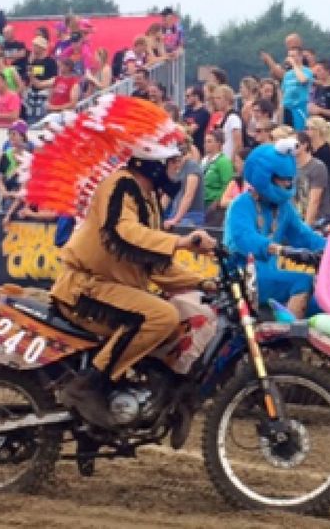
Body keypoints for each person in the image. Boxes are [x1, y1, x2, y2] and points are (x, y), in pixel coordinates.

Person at [50, 137, 216, 432]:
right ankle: (87, 386)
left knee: (183, 312)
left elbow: (154, 265)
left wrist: (205, 282)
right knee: (161, 315)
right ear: (151, 164)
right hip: (87, 287)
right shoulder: (119, 185)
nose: (176, 168)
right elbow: (124, 233)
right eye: (171, 162)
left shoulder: (148, 199)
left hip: (113, 289)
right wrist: (179, 242)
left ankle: (164, 395)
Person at [224, 140, 327, 318]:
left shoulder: (284, 206)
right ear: (266, 176)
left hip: (268, 272)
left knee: (319, 300)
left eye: (290, 179)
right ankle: (289, 335)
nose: (288, 184)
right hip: (241, 275)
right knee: (303, 279)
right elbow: (244, 239)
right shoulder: (241, 204)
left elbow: (303, 235)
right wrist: (281, 250)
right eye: (283, 179)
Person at [292, 132, 330, 227]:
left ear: (305, 145)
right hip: (298, 217)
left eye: (294, 144)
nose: (291, 147)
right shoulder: (291, 167)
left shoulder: (317, 166)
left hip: (318, 219)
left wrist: (306, 227)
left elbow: (315, 200)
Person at [164, 139, 205, 229]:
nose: (176, 163)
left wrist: (176, 220)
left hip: (191, 216)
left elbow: (188, 196)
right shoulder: (176, 169)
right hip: (175, 214)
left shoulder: (192, 167)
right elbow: (167, 195)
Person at [0, 121, 30, 210]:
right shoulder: (6, 155)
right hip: (10, 196)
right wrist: (4, 192)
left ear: (22, 136)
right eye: (9, 134)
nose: (10, 137)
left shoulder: (29, 154)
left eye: (14, 134)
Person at [280, 46, 313, 131]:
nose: (291, 58)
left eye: (293, 56)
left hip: (299, 108)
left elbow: (303, 80)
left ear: (300, 56)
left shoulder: (307, 71)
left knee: (299, 133)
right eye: (289, 56)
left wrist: (294, 65)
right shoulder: (287, 74)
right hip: (287, 108)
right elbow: (283, 92)